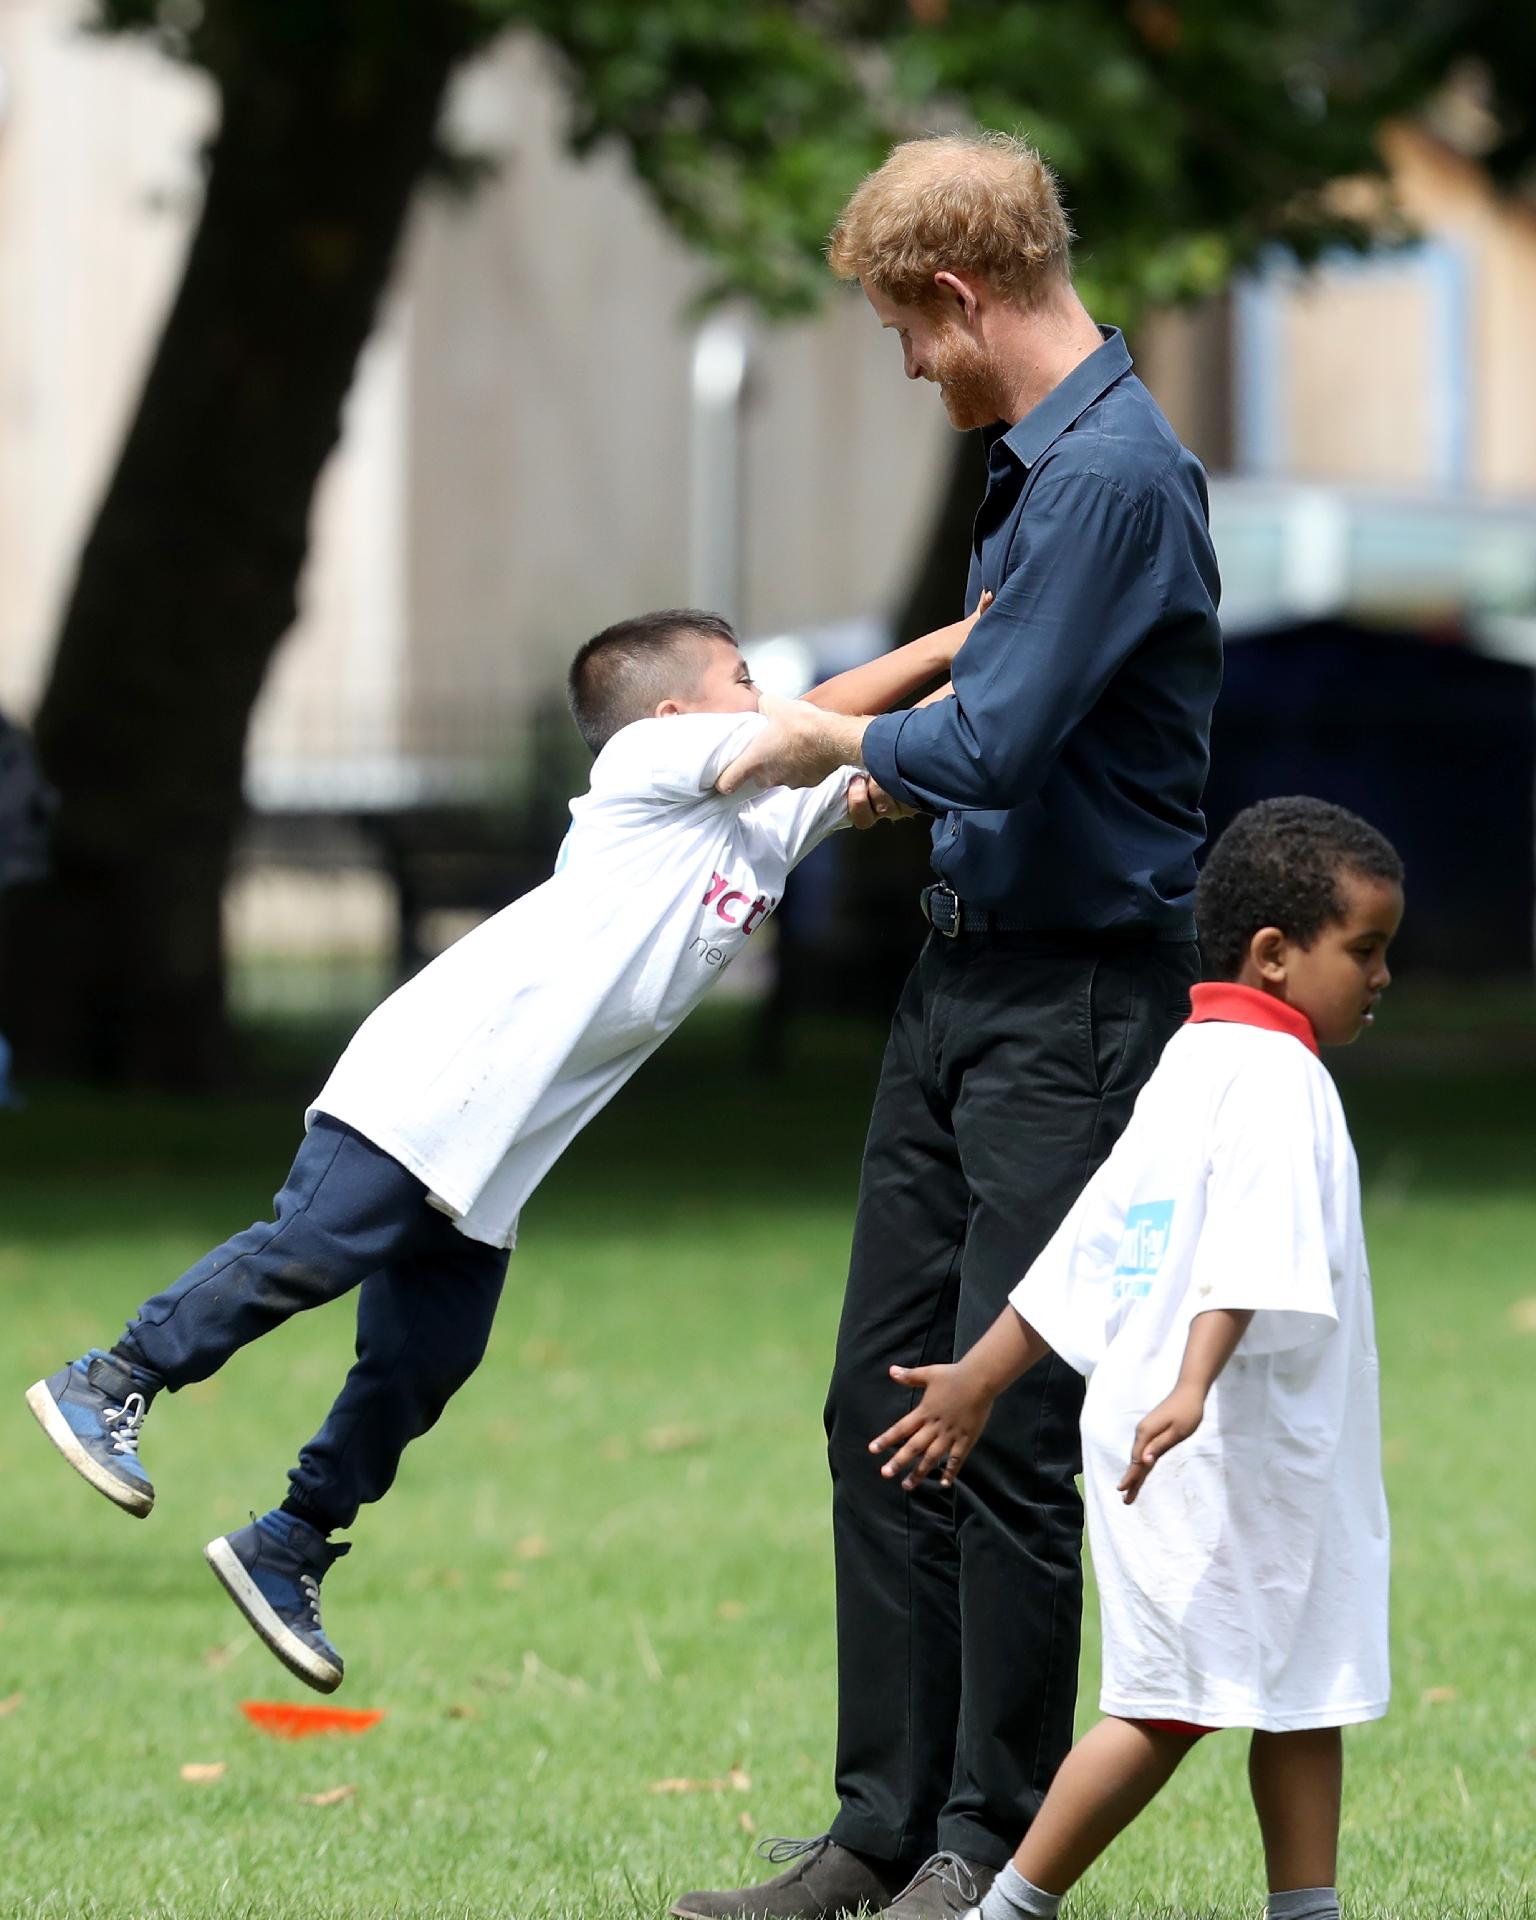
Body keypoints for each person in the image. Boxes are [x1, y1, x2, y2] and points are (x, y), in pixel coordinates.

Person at [25, 602, 976, 1694]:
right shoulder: (642, 767)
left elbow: (861, 763)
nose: (762, 694)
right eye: (742, 679)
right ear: (673, 717)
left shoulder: (754, 820)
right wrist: (951, 642)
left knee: (428, 1356)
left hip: (497, 1147)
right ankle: (113, 1376)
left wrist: (1006, 676)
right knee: (308, 1252)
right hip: (429, 1087)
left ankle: (289, 1539)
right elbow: (812, 728)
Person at [673, 135, 1220, 1920]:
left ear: (962, 297)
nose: (909, 365)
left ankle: (985, 1846)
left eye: (906, 331)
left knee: (1002, 1421)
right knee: (876, 1404)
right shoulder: (1038, 469)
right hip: (962, 981)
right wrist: (900, 776)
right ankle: (877, 1831)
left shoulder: (1113, 478)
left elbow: (993, 740)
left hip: (1076, 1005)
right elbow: (1008, 720)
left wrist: (822, 740)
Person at [868, 797, 1403, 1920]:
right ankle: (1008, 1908)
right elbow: (1248, 1252)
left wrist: (982, 1373)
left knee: (1302, 1692)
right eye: (1364, 951)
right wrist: (1195, 1384)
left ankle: (1307, 1909)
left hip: (1208, 1437)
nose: (1382, 976)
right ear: (1274, 954)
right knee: (1168, 1704)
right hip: (1222, 1445)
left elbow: (1094, 1242)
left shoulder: (1191, 1061)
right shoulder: (1278, 1076)